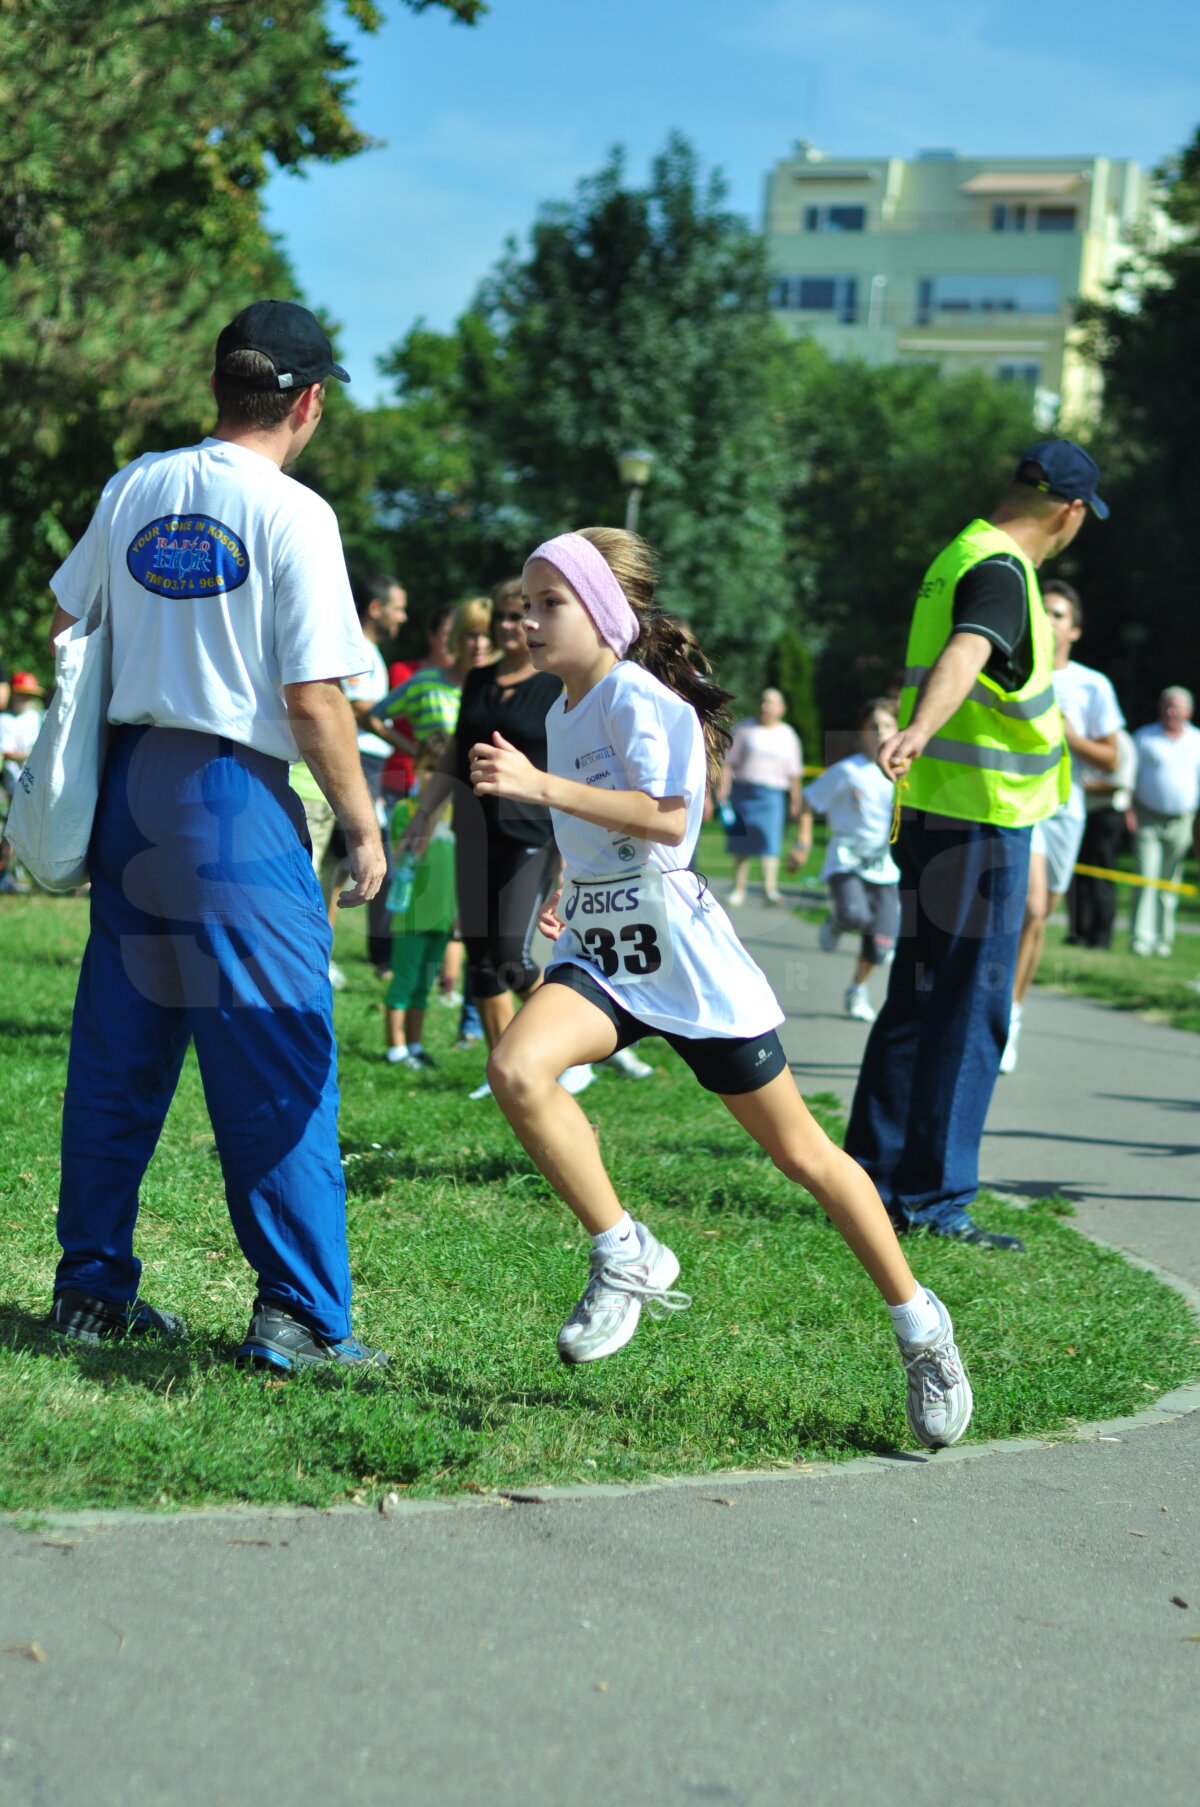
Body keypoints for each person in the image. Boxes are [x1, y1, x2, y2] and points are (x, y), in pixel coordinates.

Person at [468, 526, 973, 1451]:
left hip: (689, 967)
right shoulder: (565, 710)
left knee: (807, 1158)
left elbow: (668, 823)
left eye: (550, 603)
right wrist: (558, 892)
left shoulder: (637, 699)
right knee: (517, 1069)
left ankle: (921, 1326)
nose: (528, 620)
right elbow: (594, 839)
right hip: (605, 954)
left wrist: (538, 784)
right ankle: (627, 1253)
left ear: (605, 614)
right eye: (524, 603)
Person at [43, 298, 387, 1372]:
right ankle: (301, 1316)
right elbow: (317, 696)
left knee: (118, 1055)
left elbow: (69, 621)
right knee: (279, 1052)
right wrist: (366, 831)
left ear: (219, 389)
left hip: (133, 786)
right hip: (233, 796)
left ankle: (90, 1291)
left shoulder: (135, 484)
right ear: (309, 401)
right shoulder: (294, 513)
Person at [845, 439, 1108, 1252]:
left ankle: (870, 1182)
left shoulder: (957, 552)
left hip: (933, 816)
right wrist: (921, 724)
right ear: (1068, 512)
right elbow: (971, 646)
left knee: (918, 997)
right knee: (970, 1009)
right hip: (983, 822)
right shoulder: (1002, 569)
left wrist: (920, 736)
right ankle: (933, 1199)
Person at [401, 580, 599, 1100]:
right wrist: (425, 816)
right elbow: (454, 756)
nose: (513, 626)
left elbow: (573, 763)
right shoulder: (480, 679)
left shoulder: (555, 683)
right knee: (480, 956)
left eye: (522, 615)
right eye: (507, 617)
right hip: (474, 826)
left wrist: (572, 842)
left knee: (511, 953)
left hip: (533, 831)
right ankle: (503, 1069)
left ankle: (567, 1053)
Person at [1001, 581, 1122, 1072]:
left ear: (1074, 628)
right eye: (1043, 611)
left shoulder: (1093, 685)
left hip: (1065, 808)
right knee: (1029, 906)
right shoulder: (1013, 671)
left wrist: (1070, 734)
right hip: (1018, 802)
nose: (1048, 620)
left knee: (1040, 917)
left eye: (1058, 614)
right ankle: (998, 1018)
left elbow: (1112, 757)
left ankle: (1015, 1011)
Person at [790, 698, 901, 1023]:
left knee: (880, 945)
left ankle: (857, 991)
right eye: (874, 727)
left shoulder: (904, 771)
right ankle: (839, 921)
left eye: (887, 726)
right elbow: (809, 802)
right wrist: (803, 842)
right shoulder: (847, 771)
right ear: (862, 734)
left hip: (885, 866)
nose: (881, 732)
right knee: (854, 914)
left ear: (898, 731)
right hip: (847, 858)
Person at [343, 572, 409, 975]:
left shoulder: (371, 651)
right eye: (398, 608)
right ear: (375, 607)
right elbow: (359, 708)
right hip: (360, 762)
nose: (403, 618)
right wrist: (410, 747)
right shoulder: (358, 649)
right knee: (346, 864)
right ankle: (325, 956)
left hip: (371, 764)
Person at [383, 731, 457, 1070]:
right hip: (413, 915)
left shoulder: (456, 815)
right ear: (416, 767)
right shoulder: (405, 811)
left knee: (424, 985)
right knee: (404, 981)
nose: (434, 778)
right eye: (429, 769)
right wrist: (430, 812)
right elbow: (407, 853)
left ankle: (415, 1044)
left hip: (442, 916)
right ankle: (395, 1047)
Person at [1129, 687, 1200, 957]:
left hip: (1184, 820)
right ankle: (1140, 940)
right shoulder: (1145, 737)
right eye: (1168, 706)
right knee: (1146, 878)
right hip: (1147, 816)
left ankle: (1163, 940)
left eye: (1177, 707)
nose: (1172, 711)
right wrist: (1129, 810)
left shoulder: (1196, 740)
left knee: (1169, 883)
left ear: (1188, 711)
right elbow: (1130, 777)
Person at [718, 687, 803, 905]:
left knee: (770, 841)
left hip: (772, 795)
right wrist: (723, 788)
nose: (766, 706)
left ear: (781, 708)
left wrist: (795, 800)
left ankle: (770, 889)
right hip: (744, 792)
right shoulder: (744, 729)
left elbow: (794, 772)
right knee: (741, 842)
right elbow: (728, 762)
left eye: (771, 702)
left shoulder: (788, 734)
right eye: (763, 701)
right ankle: (738, 888)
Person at [1069, 726, 1137, 950]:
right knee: (1080, 876)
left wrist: (1082, 787)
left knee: (1101, 876)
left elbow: (1119, 783)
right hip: (1082, 812)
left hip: (1107, 815)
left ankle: (1101, 936)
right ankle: (1079, 931)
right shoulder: (1084, 735)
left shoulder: (1121, 741)